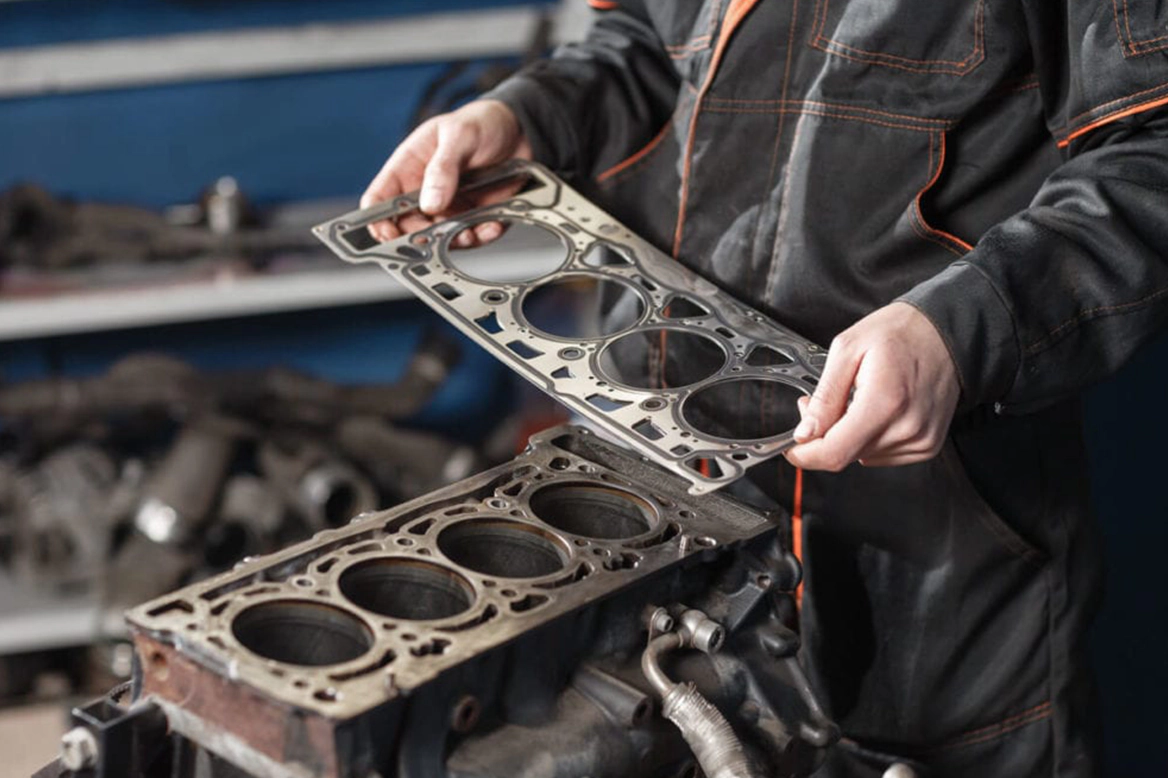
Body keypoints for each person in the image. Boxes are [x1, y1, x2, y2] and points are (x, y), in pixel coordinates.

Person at [362, 2, 1168, 775]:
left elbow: (1152, 154)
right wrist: (529, 114)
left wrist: (967, 327)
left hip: (930, 563)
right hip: (649, 515)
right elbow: (645, 43)